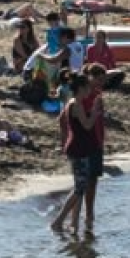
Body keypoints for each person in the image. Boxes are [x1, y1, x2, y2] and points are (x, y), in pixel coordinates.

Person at [52, 74, 102, 234]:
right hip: (78, 149)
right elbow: (87, 125)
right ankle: (58, 221)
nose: (90, 90)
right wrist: (94, 112)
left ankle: (74, 223)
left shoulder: (73, 103)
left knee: (80, 185)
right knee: (80, 188)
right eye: (88, 87)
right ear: (81, 88)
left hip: (81, 148)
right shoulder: (76, 104)